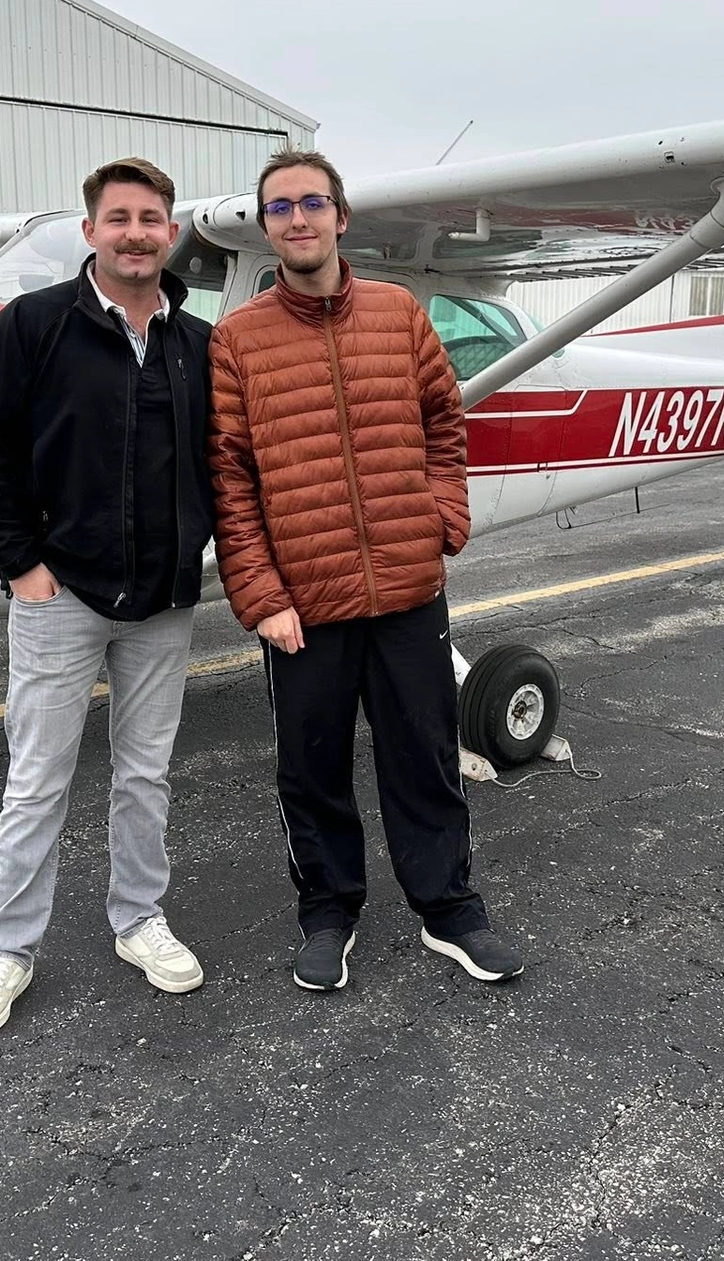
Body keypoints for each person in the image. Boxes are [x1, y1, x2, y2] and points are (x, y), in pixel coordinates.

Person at [208, 148, 524, 991]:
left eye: (313, 203)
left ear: (341, 217)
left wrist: (441, 521)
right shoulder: (238, 339)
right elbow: (230, 478)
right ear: (267, 226)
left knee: (424, 756)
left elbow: (444, 424)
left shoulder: (397, 314)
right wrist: (261, 595)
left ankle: (450, 911)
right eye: (280, 208)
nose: (298, 219)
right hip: (301, 607)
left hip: (408, 589)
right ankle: (327, 912)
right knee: (309, 770)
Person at [0, 157, 215, 1038]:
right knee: (37, 777)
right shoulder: (34, 326)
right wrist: (18, 562)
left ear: (169, 235)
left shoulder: (198, 344)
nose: (136, 232)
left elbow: (221, 467)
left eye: (152, 219)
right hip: (59, 592)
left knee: (145, 773)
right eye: (119, 217)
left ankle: (138, 919)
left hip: (164, 599)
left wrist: (198, 552)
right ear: (92, 231)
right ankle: (12, 947)